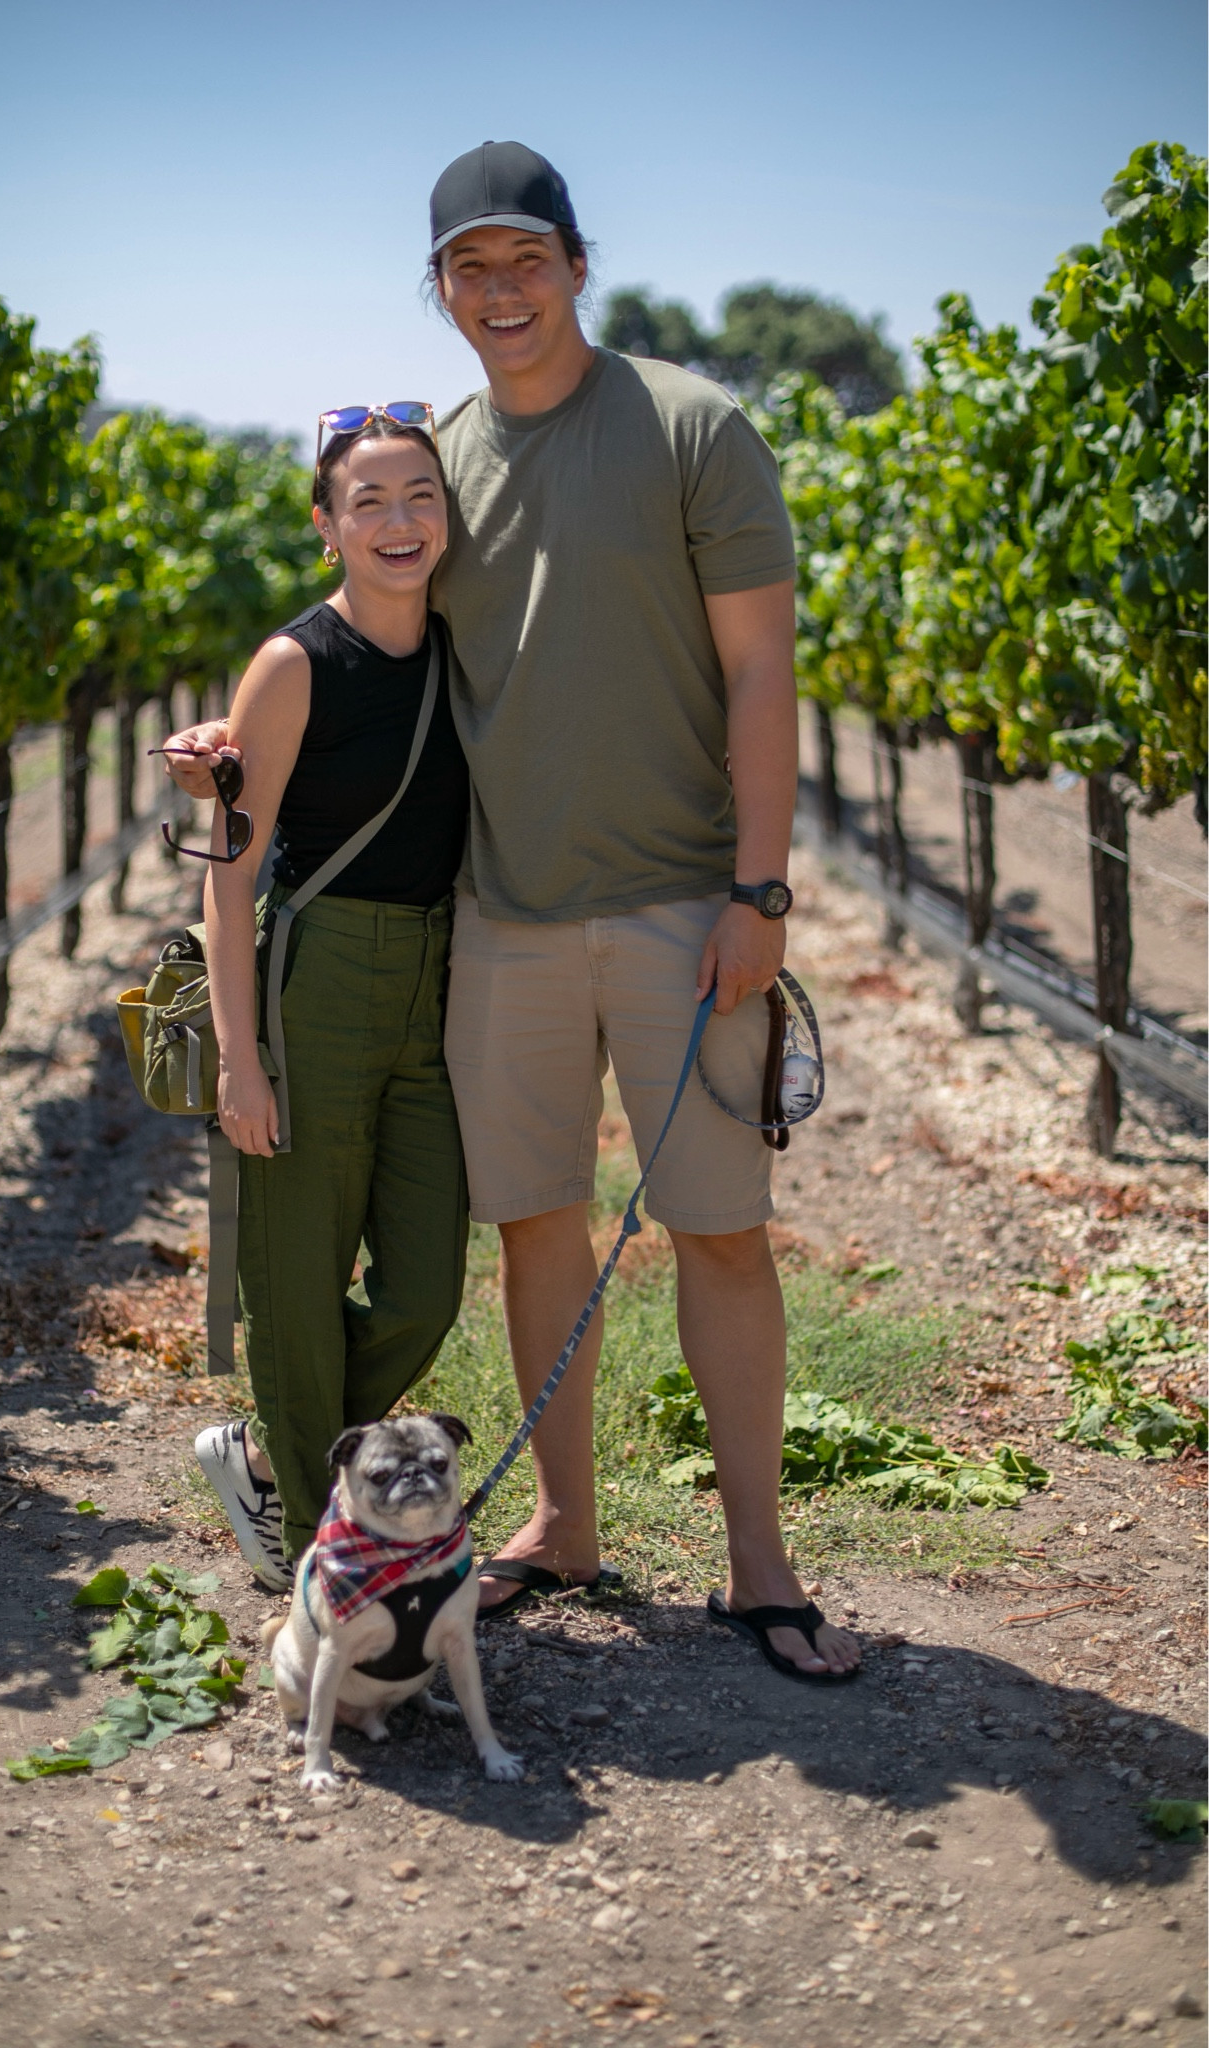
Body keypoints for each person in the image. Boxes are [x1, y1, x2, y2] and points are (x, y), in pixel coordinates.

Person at [169, 141, 860, 1681]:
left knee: (721, 1238)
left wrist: (761, 886)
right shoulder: (447, 461)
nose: (499, 290)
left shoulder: (691, 426)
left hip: (691, 908)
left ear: (576, 266)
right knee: (535, 1230)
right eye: (468, 268)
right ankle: (568, 1521)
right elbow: (375, 628)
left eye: (524, 260)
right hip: (505, 925)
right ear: (439, 289)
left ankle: (759, 1568)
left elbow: (761, 668)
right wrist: (237, 743)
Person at [189, 412, 470, 1590]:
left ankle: (262, 1443)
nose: (397, 522)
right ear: (326, 525)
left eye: (419, 496)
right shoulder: (294, 663)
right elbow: (231, 872)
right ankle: (328, 1561)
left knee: (425, 1284)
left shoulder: (467, 647)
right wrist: (240, 1059)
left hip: (439, 980)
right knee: (297, 1284)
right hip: (318, 980)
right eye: (368, 501)